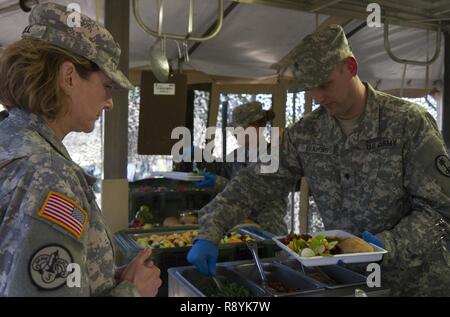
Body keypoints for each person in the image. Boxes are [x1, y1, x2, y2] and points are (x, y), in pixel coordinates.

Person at [187, 25, 450, 296]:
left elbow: (442, 210)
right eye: (311, 88)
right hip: (349, 282)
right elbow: (254, 182)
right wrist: (212, 227)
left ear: (350, 67)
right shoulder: (306, 133)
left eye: (325, 85)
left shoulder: (407, 122)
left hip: (416, 283)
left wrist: (388, 246)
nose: (319, 97)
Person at [0, 3, 161, 296]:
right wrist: (133, 291)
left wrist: (103, 277)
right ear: (69, 77)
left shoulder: (11, 140)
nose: (109, 102)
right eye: (106, 86)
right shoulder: (46, 172)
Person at [194, 101, 288, 236]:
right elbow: (220, 168)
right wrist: (199, 156)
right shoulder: (239, 154)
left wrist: (218, 182)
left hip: (266, 230)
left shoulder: (273, 156)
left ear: (257, 127)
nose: (235, 133)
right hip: (241, 227)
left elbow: (252, 193)